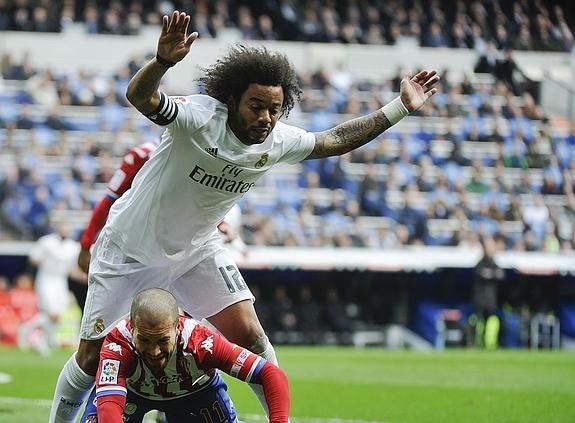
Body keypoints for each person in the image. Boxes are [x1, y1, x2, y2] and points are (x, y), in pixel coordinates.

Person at [49, 10, 439, 423]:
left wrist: (400, 107)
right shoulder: (200, 119)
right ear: (232, 100)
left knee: (252, 336)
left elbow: (336, 139)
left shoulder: (277, 140)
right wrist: (161, 63)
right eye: (256, 106)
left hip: (197, 250)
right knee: (91, 357)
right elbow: (140, 98)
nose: (265, 118)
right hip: (129, 247)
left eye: (275, 109)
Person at [79, 288, 289, 423]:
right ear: (132, 327)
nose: (154, 351)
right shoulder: (117, 343)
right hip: (133, 395)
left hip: (194, 394)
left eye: (162, 340)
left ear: (177, 327)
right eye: (144, 340)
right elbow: (109, 406)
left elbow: (269, 373)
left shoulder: (201, 342)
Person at [74, 140, 159, 311]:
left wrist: (220, 223)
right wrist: (86, 244)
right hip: (134, 242)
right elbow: (109, 200)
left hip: (177, 240)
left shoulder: (196, 154)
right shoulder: (144, 155)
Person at [18, 222, 84, 355]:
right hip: (46, 279)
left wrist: (86, 277)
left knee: (57, 313)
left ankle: (29, 329)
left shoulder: (73, 247)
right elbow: (33, 259)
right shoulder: (46, 242)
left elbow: (72, 270)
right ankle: (44, 340)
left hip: (61, 281)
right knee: (51, 313)